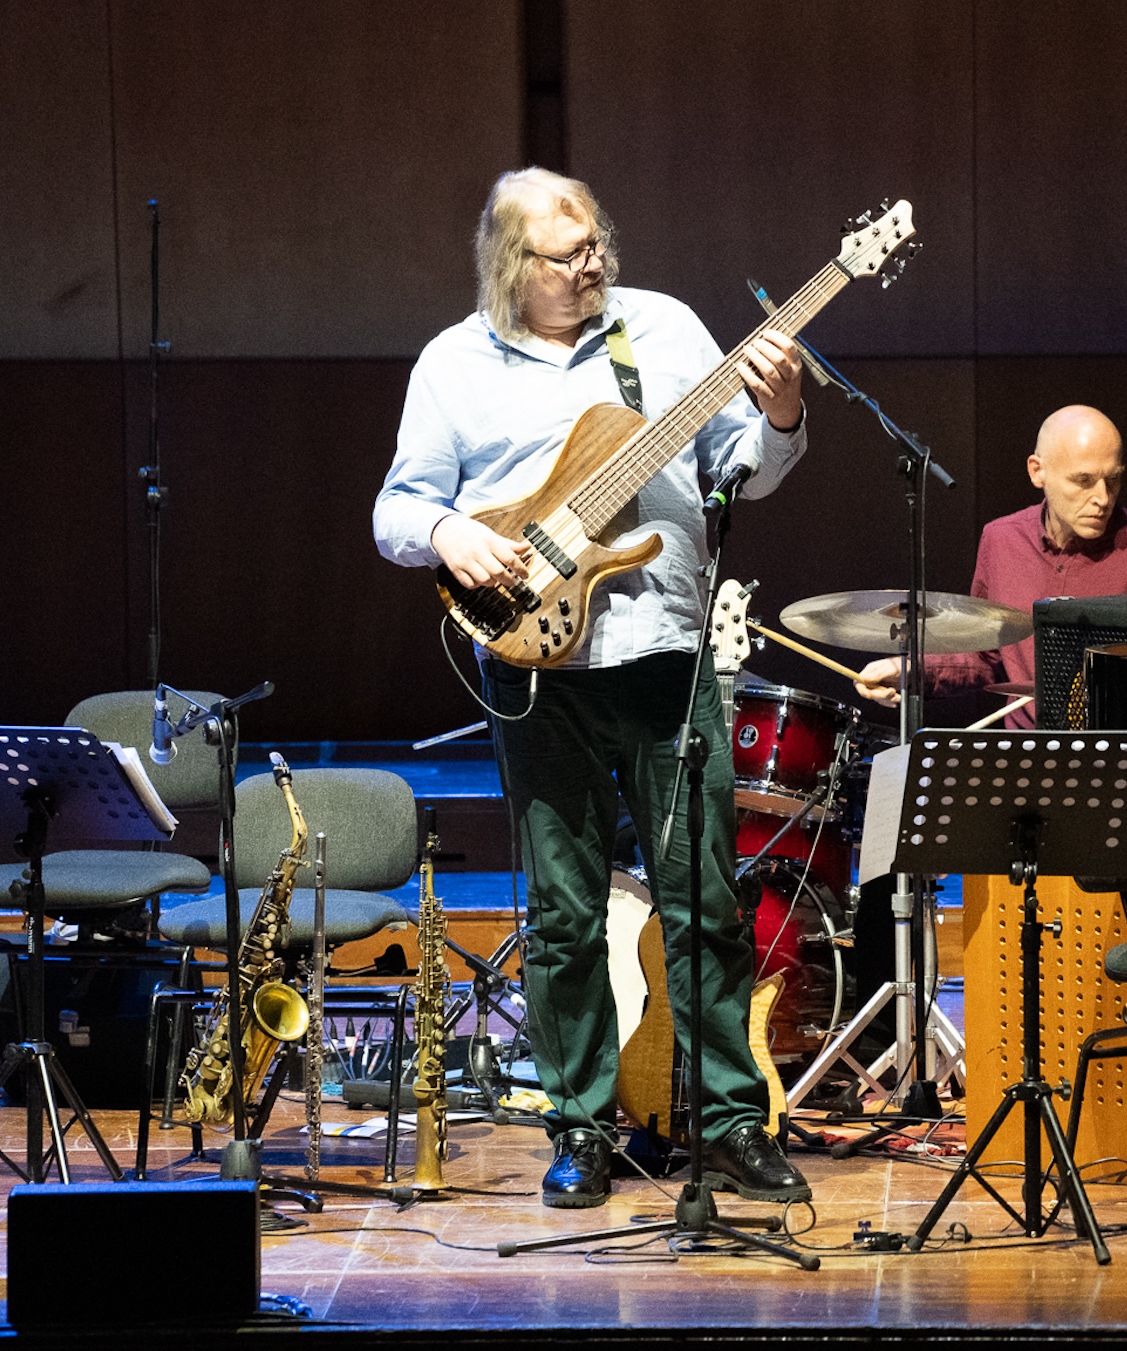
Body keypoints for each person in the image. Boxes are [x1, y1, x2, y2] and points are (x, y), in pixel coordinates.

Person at [374, 168, 811, 1208]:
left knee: (705, 899)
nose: (594, 263)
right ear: (511, 265)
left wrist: (782, 412)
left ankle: (733, 1119)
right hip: (536, 667)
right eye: (569, 254)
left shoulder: (661, 331)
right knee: (565, 914)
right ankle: (581, 1125)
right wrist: (453, 533)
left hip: (666, 655)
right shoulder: (453, 363)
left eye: (598, 244)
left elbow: (739, 470)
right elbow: (398, 507)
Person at [853, 404, 1127, 727]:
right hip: (1027, 759)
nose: (1102, 497)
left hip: (1119, 761)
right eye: (1083, 481)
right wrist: (909, 671)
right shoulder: (1002, 540)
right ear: (1037, 471)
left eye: (1112, 480)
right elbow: (985, 655)